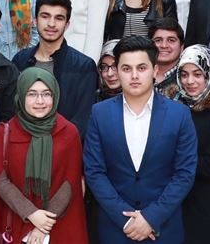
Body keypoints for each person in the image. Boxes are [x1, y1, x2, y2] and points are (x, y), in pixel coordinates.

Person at [84, 35, 198, 244]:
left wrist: (151, 218)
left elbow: (184, 173)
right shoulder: (99, 113)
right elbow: (94, 171)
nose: (134, 75)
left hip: (163, 230)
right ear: (117, 71)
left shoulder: (179, 114)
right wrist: (125, 220)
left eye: (142, 68)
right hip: (115, 230)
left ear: (155, 70)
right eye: (126, 68)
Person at [0, 68, 89, 244]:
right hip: (16, 221)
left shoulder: (69, 132)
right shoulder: (5, 132)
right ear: (21, 96)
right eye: (32, 94)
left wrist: (43, 225)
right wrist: (31, 213)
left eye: (46, 94)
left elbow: (70, 182)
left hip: (58, 224)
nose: (40, 101)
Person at [167, 44, 210, 240]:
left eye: (197, 74)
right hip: (167, 199)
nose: (190, 81)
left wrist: (171, 159)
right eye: (184, 74)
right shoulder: (170, 105)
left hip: (201, 204)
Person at [12, 0, 98, 138]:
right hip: (23, 144)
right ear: (35, 20)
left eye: (59, 18)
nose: (51, 24)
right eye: (45, 16)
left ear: (67, 24)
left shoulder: (84, 66)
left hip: (65, 146)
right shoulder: (20, 60)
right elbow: (13, 110)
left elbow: (83, 119)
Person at [150, 16, 185, 94]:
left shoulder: (189, 78)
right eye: (158, 40)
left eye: (171, 40)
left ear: (182, 46)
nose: (164, 45)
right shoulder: (139, 74)